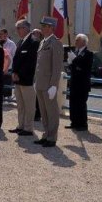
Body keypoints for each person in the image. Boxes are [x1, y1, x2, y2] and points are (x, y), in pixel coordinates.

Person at [33, 17, 64, 147]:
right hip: (40, 83)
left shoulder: (55, 43)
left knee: (51, 112)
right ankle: (46, 134)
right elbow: (39, 64)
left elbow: (56, 67)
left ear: (51, 28)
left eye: (45, 26)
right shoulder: (42, 42)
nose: (43, 28)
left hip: (48, 84)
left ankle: (52, 138)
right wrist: (35, 80)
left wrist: (53, 85)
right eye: (42, 26)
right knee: (44, 112)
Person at [9, 20, 39, 136]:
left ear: (26, 28)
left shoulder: (33, 42)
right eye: (17, 28)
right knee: (20, 105)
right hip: (18, 79)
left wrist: (19, 74)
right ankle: (20, 125)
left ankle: (28, 128)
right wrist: (14, 72)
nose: (17, 30)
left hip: (27, 79)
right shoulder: (21, 41)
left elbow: (30, 62)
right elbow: (16, 60)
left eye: (19, 28)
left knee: (29, 106)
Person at [66, 34, 94, 130]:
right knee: (73, 103)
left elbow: (84, 66)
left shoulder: (88, 53)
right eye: (76, 40)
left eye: (78, 40)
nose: (76, 41)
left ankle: (82, 124)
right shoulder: (76, 52)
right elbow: (73, 67)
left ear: (84, 42)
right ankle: (74, 122)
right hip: (74, 82)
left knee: (81, 104)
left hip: (82, 83)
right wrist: (70, 62)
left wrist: (74, 59)